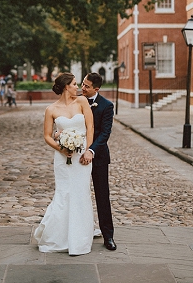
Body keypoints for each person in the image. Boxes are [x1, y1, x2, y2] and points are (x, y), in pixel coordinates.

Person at [33, 72, 95, 256]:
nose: (78, 87)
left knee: (80, 193)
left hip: (81, 157)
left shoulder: (82, 102)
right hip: (62, 158)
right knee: (63, 193)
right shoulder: (51, 109)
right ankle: (57, 237)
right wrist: (61, 148)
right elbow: (46, 136)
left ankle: (79, 240)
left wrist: (87, 151)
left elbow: (90, 127)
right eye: (75, 84)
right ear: (66, 86)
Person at [78, 72, 117, 251]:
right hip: (78, 157)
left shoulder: (107, 106)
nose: (82, 88)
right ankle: (79, 231)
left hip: (98, 156)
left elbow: (105, 133)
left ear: (96, 88)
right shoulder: (77, 102)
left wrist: (91, 151)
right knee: (79, 194)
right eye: (82, 84)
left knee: (102, 196)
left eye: (86, 86)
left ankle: (108, 236)